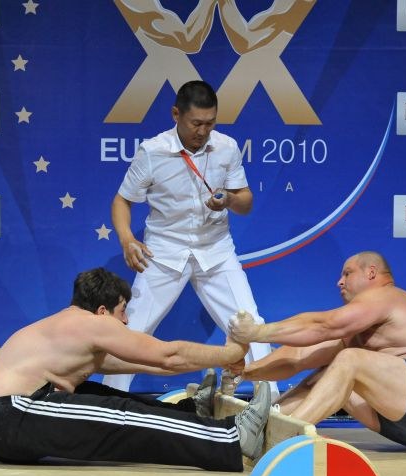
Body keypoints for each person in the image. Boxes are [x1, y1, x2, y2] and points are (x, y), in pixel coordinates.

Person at [0, 267, 271, 472]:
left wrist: (220, 360)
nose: (127, 321)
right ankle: (232, 437)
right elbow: (169, 355)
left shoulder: (69, 334)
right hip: (10, 417)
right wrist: (231, 352)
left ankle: (192, 412)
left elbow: (152, 364)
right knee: (123, 415)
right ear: (103, 312)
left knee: (103, 395)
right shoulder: (89, 324)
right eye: (122, 311)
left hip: (3, 424)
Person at [104, 79, 277, 399]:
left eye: (210, 123)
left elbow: (246, 200)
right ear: (175, 114)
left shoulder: (226, 148)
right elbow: (122, 200)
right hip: (164, 252)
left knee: (251, 324)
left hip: (216, 251)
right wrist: (127, 239)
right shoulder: (152, 152)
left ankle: (271, 405)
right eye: (196, 123)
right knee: (133, 333)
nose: (203, 130)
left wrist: (228, 201)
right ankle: (110, 407)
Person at [227, 251, 406, 449]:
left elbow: (325, 325)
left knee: (350, 359)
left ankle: (282, 438)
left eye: (347, 273)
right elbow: (297, 357)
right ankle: (255, 427)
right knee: (327, 374)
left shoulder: (388, 296)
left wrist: (257, 332)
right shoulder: (358, 327)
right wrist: (246, 371)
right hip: (403, 426)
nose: (339, 282)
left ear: (371, 272)